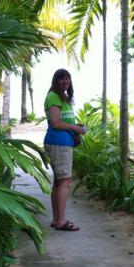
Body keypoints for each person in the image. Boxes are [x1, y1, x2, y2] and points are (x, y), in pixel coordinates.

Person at [44, 69, 85, 231]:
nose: (65, 81)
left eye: (67, 78)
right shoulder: (53, 96)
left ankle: (57, 220)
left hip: (62, 143)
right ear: (55, 81)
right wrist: (75, 128)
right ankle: (60, 221)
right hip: (58, 143)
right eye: (61, 79)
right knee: (64, 182)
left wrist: (76, 127)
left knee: (59, 182)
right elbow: (55, 123)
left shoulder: (63, 96)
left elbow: (63, 120)